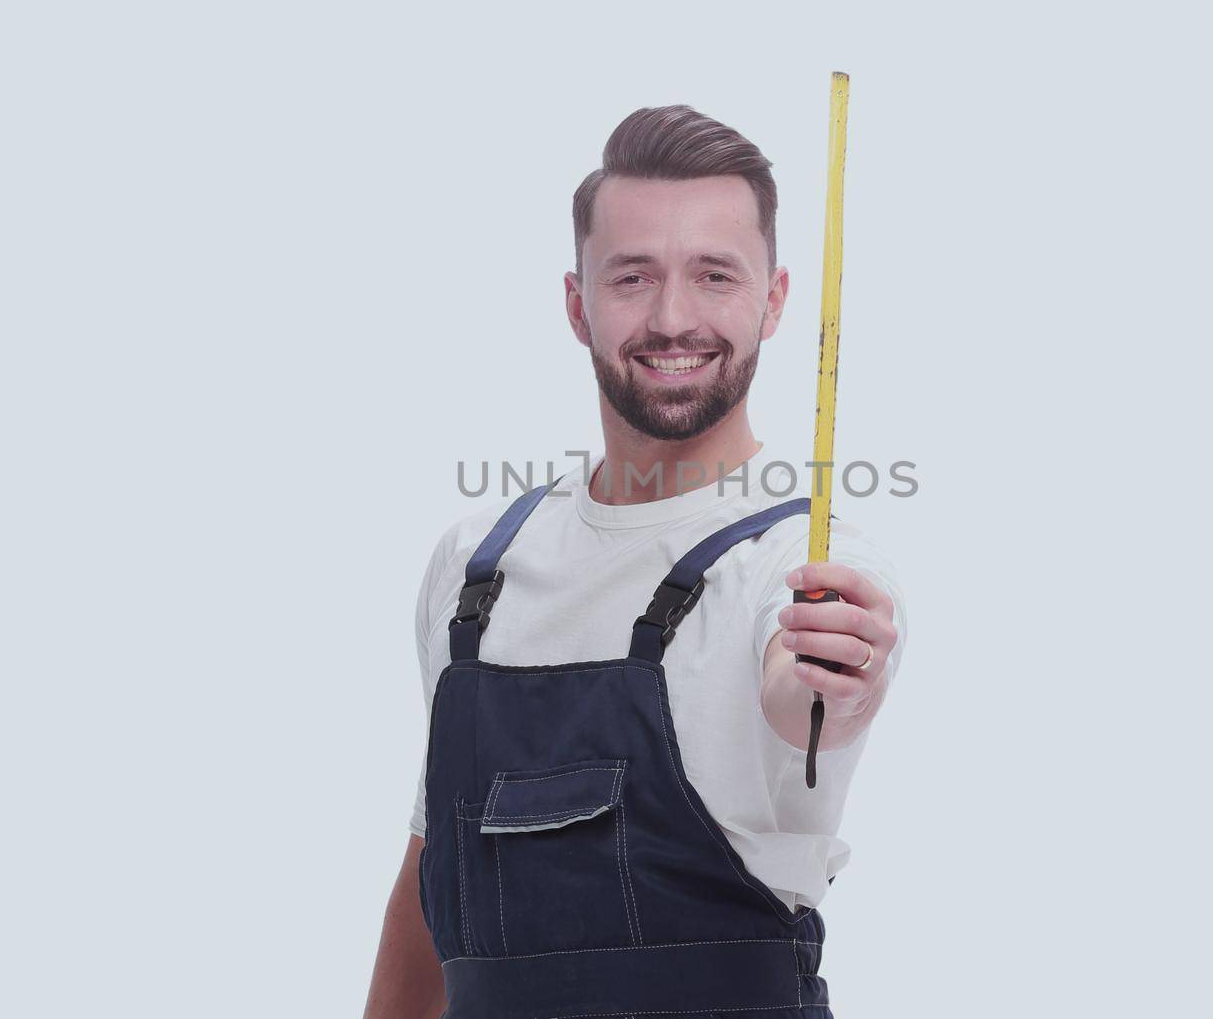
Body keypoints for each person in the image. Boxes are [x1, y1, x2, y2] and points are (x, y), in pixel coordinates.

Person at [363, 105, 908, 1019]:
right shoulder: (473, 575)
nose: (671, 318)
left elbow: (807, 693)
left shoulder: (803, 566)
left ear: (775, 301)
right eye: (632, 276)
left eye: (714, 275)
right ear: (578, 304)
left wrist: (833, 680)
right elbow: (430, 885)